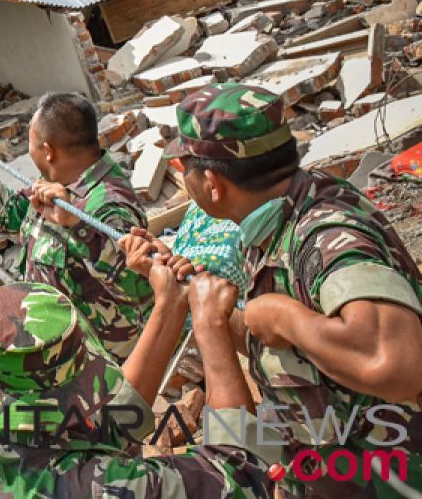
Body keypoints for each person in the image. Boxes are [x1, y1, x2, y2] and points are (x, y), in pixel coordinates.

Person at [134, 82, 422, 498]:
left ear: (213, 182)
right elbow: (288, 348)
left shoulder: (327, 235)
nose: (185, 184)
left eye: (185, 172)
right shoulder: (276, 215)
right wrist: (199, 299)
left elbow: (397, 364)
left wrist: (280, 315)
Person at [0, 269, 276, 498]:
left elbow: (103, 426)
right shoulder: (98, 487)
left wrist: (169, 306)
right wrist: (211, 326)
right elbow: (244, 475)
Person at [0, 92, 151, 358]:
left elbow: (139, 288)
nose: (29, 150)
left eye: (31, 143)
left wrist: (77, 226)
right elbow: (5, 214)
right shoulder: (60, 183)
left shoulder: (109, 207)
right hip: (59, 345)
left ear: (48, 151)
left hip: (100, 362)